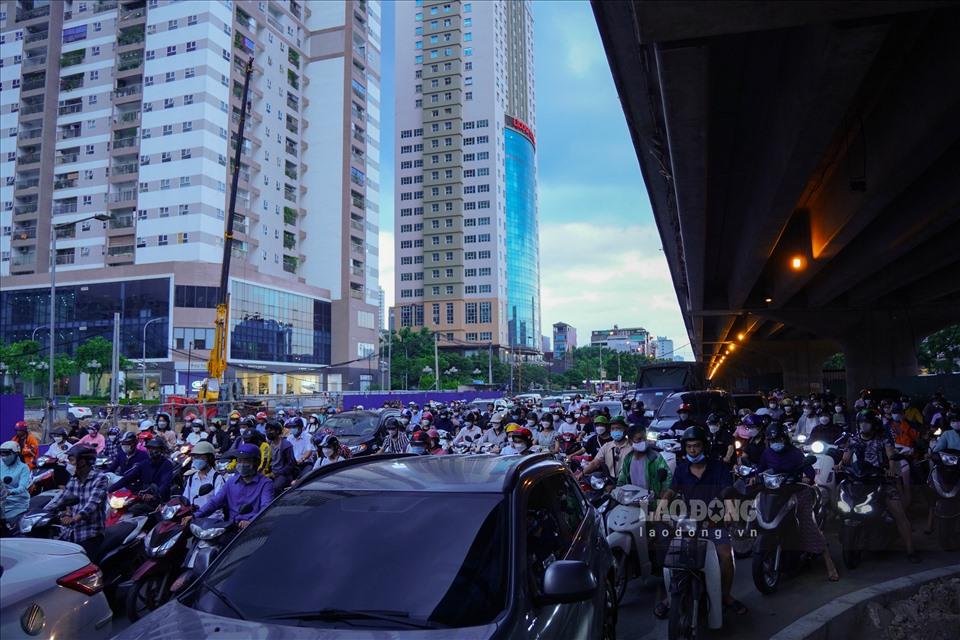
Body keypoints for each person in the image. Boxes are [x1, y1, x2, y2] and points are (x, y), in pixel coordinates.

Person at [655, 427, 748, 619]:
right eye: (689, 446)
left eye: (696, 446)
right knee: (671, 558)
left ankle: (725, 595)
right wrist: (660, 507)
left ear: (704, 446)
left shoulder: (719, 467)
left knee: (725, 557)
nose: (693, 450)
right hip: (689, 522)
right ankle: (671, 597)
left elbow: (727, 491)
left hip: (715, 521)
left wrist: (730, 510)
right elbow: (672, 490)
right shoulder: (681, 468)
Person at [757, 423, 840, 581]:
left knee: (808, 525)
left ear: (785, 439)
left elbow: (808, 472)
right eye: (772, 439)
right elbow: (760, 469)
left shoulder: (795, 453)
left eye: (778, 438)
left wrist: (805, 477)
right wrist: (754, 475)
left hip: (797, 491)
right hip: (775, 492)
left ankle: (829, 563)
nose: (776, 442)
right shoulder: (767, 453)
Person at [841, 410, 919, 562]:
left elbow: (891, 455)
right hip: (860, 479)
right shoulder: (854, 439)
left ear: (874, 424)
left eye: (867, 422)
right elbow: (846, 458)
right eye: (861, 422)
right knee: (841, 494)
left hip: (881, 479)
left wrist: (891, 469)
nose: (863, 425)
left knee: (898, 513)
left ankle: (911, 551)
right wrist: (840, 465)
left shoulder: (883, 438)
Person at [44, 445, 109, 558]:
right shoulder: (74, 480)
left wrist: (74, 518)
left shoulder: (100, 478)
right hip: (70, 531)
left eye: (71, 460)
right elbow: (61, 497)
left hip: (89, 533)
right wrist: (42, 512)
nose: (68, 463)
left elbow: (92, 504)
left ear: (82, 462)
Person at [192, 444, 273, 530]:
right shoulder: (231, 482)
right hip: (231, 527)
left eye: (246, 461)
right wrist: (195, 515)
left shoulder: (266, 484)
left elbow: (266, 508)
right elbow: (215, 502)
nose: (241, 464)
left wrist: (251, 522)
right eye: (239, 461)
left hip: (253, 529)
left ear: (256, 462)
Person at [109, 438, 174, 514]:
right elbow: (127, 478)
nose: (151, 451)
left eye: (154, 448)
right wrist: (109, 490)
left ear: (161, 450)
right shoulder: (144, 464)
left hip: (161, 501)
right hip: (144, 498)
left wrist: (155, 495)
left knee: (134, 510)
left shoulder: (167, 464)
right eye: (149, 448)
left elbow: (165, 484)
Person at [617, 424, 672, 495]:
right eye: (639, 439)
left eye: (645, 438)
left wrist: (663, 493)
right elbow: (622, 479)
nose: (643, 442)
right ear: (630, 442)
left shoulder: (655, 457)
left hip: (651, 501)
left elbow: (668, 478)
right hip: (632, 500)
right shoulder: (628, 459)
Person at [182, 441, 225, 515]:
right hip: (193, 518)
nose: (196, 459)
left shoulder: (217, 478)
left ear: (210, 458)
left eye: (200, 457)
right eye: (195, 457)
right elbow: (185, 500)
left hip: (211, 520)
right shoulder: (192, 478)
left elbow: (218, 503)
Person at [0, 441, 31, 530]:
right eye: (2, 453)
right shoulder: (1, 466)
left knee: (8, 526)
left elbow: (22, 487)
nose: (4, 456)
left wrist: (10, 492)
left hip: (17, 502)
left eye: (7, 453)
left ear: (15, 454)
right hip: (2, 500)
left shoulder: (23, 468)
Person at [264, 420, 297, 491]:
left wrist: (278, 473)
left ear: (278, 431)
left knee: (274, 488)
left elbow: (291, 464)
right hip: (270, 473)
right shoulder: (268, 444)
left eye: (271, 430)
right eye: (267, 430)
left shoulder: (286, 445)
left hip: (283, 474)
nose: (268, 432)